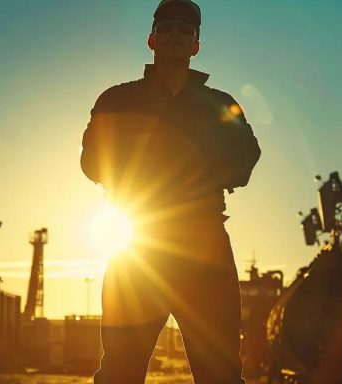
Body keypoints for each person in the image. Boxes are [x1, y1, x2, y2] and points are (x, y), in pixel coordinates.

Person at [79, 1, 261, 382]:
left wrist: (147, 154)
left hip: (204, 249)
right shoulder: (117, 100)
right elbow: (93, 161)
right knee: (120, 371)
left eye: (185, 28)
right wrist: (197, 162)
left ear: (196, 45)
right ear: (152, 39)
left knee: (221, 372)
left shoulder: (221, 105)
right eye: (166, 27)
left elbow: (245, 159)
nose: (175, 33)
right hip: (139, 246)